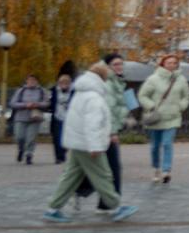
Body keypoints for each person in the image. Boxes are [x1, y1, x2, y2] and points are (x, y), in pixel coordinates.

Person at [42, 63, 136, 222]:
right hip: (87, 145)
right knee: (103, 175)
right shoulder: (94, 98)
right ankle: (115, 207)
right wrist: (95, 146)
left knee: (70, 177)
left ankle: (52, 208)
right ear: (102, 78)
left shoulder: (82, 93)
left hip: (78, 142)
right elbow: (92, 124)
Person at [136, 52, 189, 185]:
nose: (172, 65)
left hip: (173, 117)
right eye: (169, 63)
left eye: (175, 63)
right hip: (156, 117)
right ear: (163, 64)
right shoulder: (153, 79)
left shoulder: (181, 79)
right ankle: (156, 169)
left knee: (167, 144)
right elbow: (143, 95)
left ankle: (166, 171)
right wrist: (152, 106)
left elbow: (186, 96)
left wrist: (181, 107)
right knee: (155, 146)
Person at [8, 68, 49, 163]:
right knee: (19, 137)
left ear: (37, 81)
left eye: (34, 80)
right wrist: (25, 105)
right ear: (26, 81)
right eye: (30, 80)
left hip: (35, 118)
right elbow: (12, 103)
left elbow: (47, 103)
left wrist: (37, 104)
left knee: (31, 138)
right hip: (20, 117)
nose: (31, 81)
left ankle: (29, 155)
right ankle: (21, 149)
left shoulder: (42, 91)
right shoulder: (21, 91)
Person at [47, 60, 74, 163]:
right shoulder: (54, 91)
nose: (64, 85)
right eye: (62, 83)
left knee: (66, 139)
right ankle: (59, 157)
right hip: (57, 117)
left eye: (66, 83)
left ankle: (63, 150)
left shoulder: (73, 92)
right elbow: (50, 102)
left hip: (69, 118)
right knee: (57, 138)